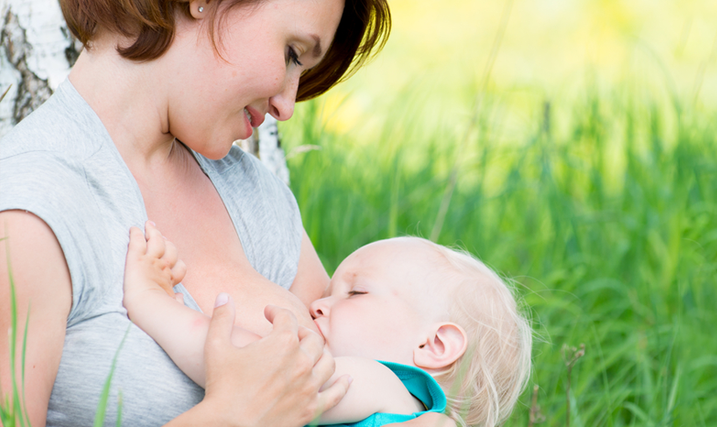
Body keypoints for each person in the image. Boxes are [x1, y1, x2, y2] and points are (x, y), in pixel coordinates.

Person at [0, 0, 450, 425]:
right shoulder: (32, 212)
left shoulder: (254, 195)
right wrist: (230, 416)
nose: (287, 106)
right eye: (293, 53)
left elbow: (372, 381)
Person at [123, 224, 533, 426]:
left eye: (355, 294)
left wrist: (154, 303)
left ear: (435, 346)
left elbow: (247, 366)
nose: (317, 303)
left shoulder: (383, 384)